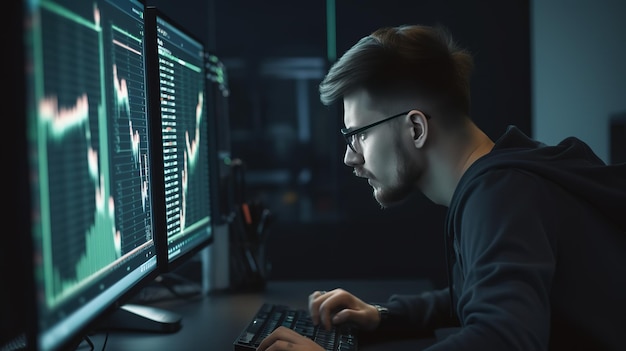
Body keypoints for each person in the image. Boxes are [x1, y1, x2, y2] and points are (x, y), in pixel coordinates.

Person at [256, 23, 626, 351]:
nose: (350, 158)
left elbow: (505, 339)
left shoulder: (500, 194)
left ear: (415, 128)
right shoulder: (511, 173)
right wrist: (384, 315)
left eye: (359, 135)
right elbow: (478, 291)